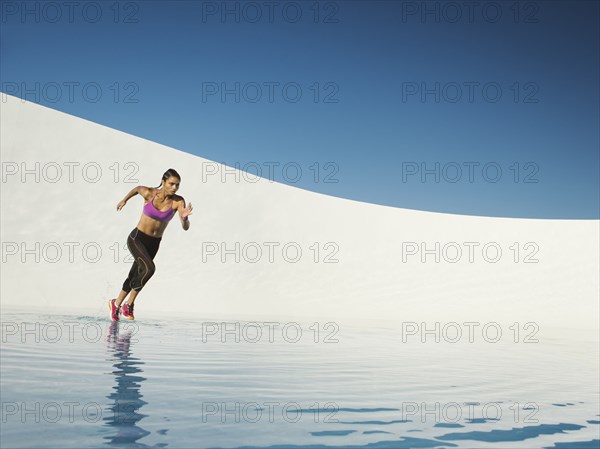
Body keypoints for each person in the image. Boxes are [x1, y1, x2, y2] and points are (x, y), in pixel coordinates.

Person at [108, 168, 192, 321]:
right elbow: (137, 189)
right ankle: (129, 304)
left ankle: (116, 303)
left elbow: (185, 227)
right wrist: (124, 200)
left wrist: (185, 219)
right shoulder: (149, 193)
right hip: (137, 239)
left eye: (177, 185)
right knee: (149, 269)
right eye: (171, 184)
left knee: (135, 274)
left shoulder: (178, 201)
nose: (174, 188)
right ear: (163, 182)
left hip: (154, 243)